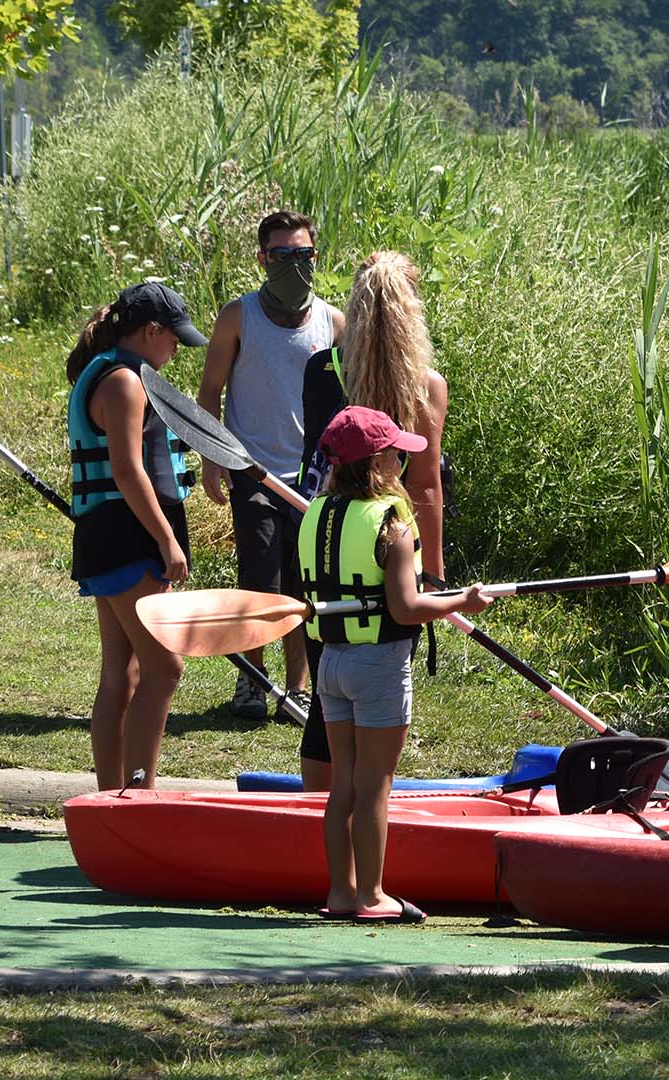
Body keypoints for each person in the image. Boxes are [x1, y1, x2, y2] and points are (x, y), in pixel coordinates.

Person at [302, 406, 490, 922]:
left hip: (331, 665)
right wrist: (462, 600)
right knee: (375, 785)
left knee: (343, 784)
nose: (400, 464)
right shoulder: (392, 522)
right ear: (376, 463)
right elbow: (405, 608)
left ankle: (341, 892)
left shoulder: (316, 513)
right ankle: (372, 896)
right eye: (394, 455)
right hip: (378, 665)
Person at [290, 250, 451, 791]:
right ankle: (369, 816)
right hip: (391, 545)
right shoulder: (427, 385)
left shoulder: (321, 370)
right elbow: (426, 484)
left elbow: (319, 462)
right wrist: (434, 576)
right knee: (378, 700)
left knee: (326, 705)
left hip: (325, 545)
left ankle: (325, 818)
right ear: (413, 311)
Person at [197, 210, 344, 722]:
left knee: (304, 585)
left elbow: (347, 402)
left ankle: (297, 689)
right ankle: (253, 680)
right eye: (282, 255)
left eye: (303, 254)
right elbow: (210, 392)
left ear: (316, 257)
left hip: (311, 478)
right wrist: (213, 458)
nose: (294, 265)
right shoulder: (238, 317)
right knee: (260, 578)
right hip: (251, 470)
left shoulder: (333, 322)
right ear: (262, 259)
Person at [65, 282, 207, 790]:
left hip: (110, 536)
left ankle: (112, 798)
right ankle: (138, 797)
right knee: (163, 669)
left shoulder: (106, 370)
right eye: (174, 338)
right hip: (128, 537)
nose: (176, 349)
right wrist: (168, 540)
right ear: (150, 331)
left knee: (121, 674)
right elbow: (127, 470)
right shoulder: (124, 382)